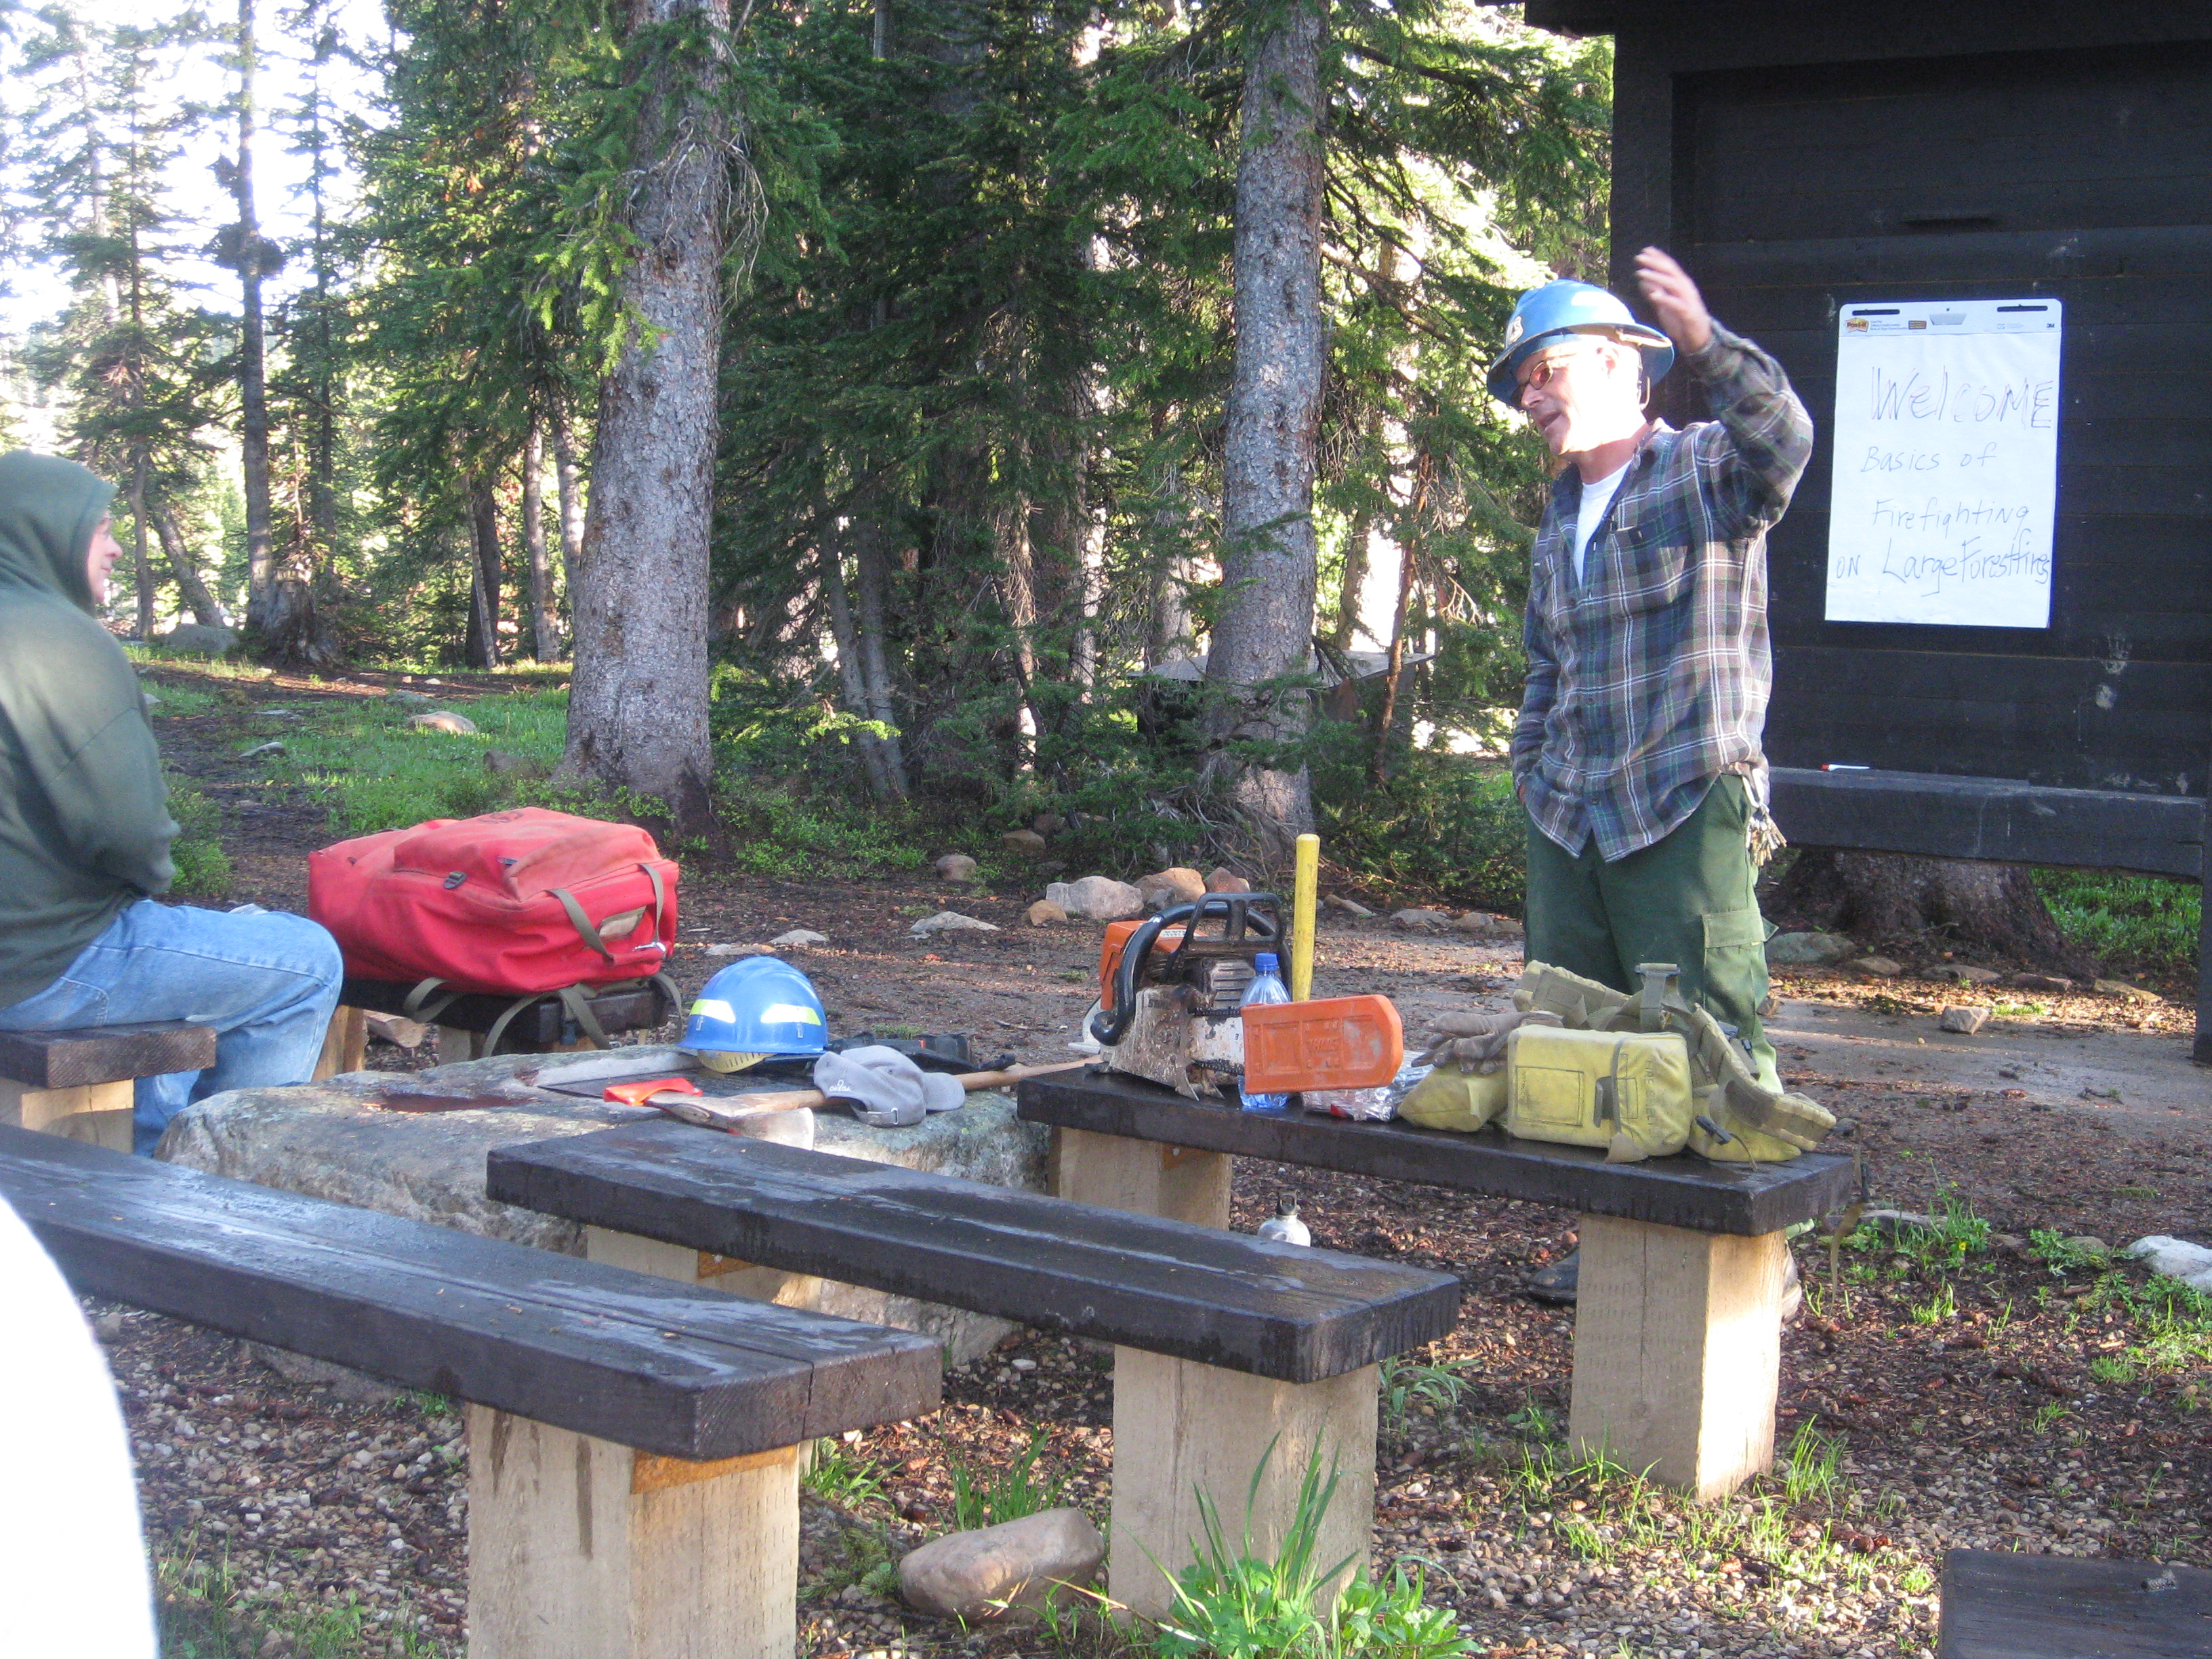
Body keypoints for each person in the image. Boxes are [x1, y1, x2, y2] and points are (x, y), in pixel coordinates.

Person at [1489, 251, 1814, 1301]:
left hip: (1681, 797)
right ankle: (1619, 1242)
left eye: (1546, 369)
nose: (1531, 395)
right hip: (1569, 814)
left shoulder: (1702, 471)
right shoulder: (1555, 519)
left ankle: (1754, 1265)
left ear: (1624, 363)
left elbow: (1787, 440)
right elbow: (1549, 660)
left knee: (1711, 1030)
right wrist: (1530, 766)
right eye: (1521, 382)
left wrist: (1712, 345)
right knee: (1581, 1034)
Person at [0, 451, 344, 1153]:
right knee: (307, 960)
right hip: (37, 966)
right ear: (46, 532)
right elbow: (129, 833)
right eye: (98, 528)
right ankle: (224, 1192)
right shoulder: (58, 641)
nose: (117, 546)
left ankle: (152, 1160)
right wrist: (147, 879)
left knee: (182, 963)